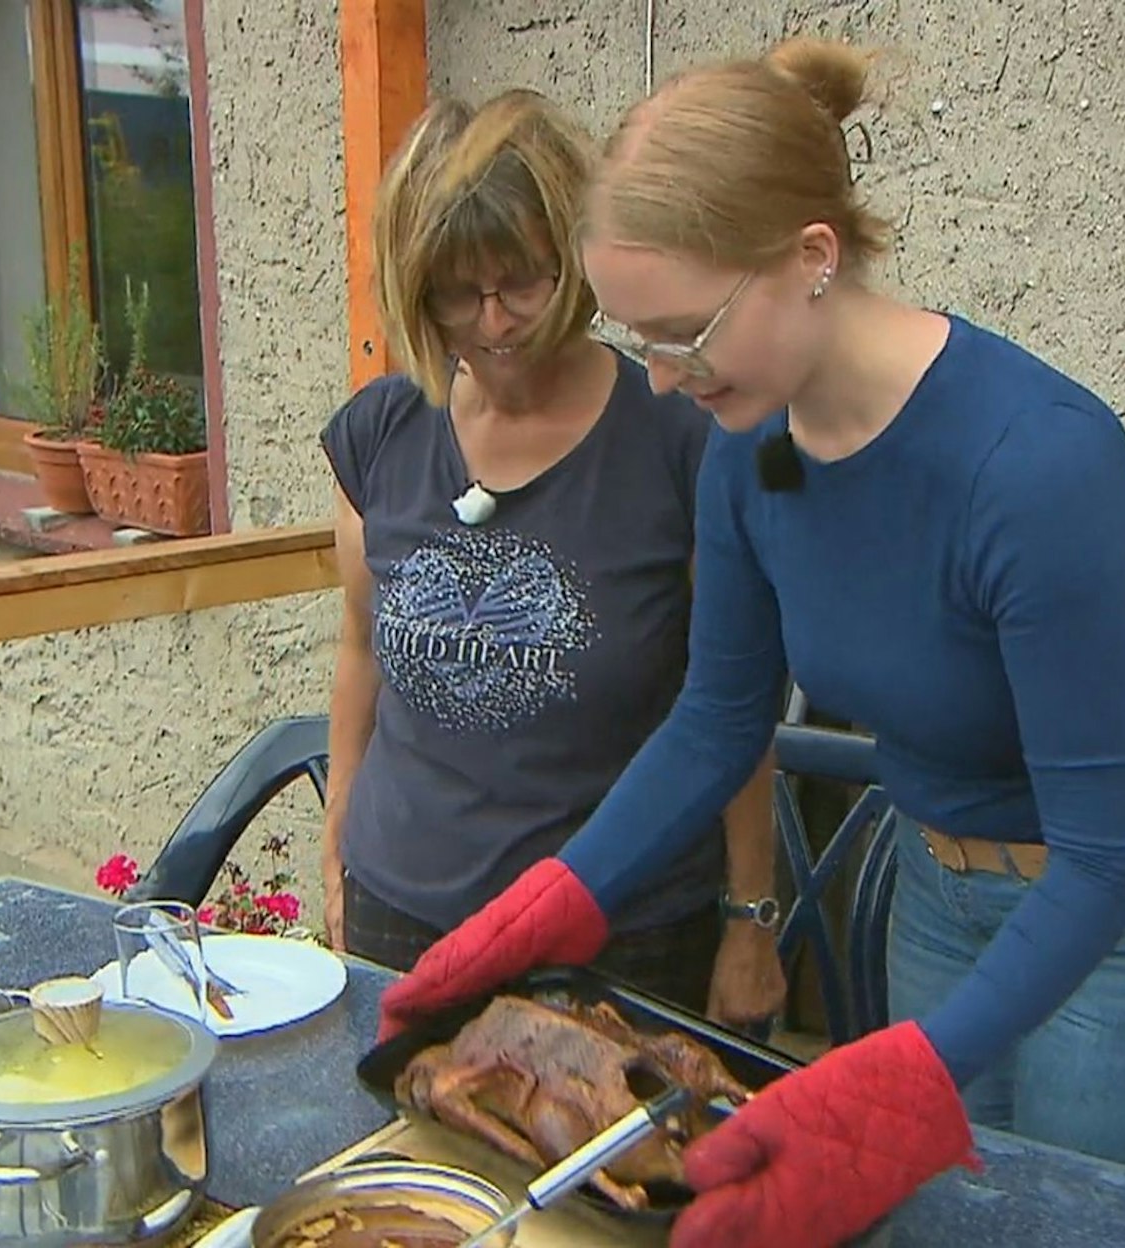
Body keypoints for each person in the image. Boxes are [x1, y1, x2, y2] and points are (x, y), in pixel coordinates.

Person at [376, 38, 1125, 1248]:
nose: (657, 382)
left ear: (811, 258)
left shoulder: (1036, 466)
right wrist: (563, 894)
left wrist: (901, 1085)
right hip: (938, 890)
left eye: (681, 334)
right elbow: (716, 722)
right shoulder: (750, 449)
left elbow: (1103, 855)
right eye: (639, 336)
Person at [318, 89, 786, 1029]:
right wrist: (336, 854)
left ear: (575, 260)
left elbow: (731, 703)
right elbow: (361, 653)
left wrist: (749, 918)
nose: (493, 321)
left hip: (620, 938)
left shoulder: (674, 440)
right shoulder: (381, 436)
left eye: (522, 281)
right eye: (459, 290)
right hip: (403, 922)